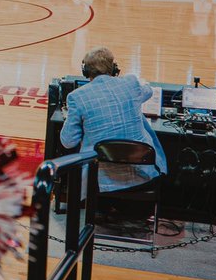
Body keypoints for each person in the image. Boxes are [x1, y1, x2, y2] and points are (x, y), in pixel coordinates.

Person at [59, 47, 166, 193]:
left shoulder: (76, 97)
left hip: (99, 184)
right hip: (143, 177)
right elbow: (148, 91)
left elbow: (68, 141)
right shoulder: (131, 83)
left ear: (85, 71)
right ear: (115, 68)